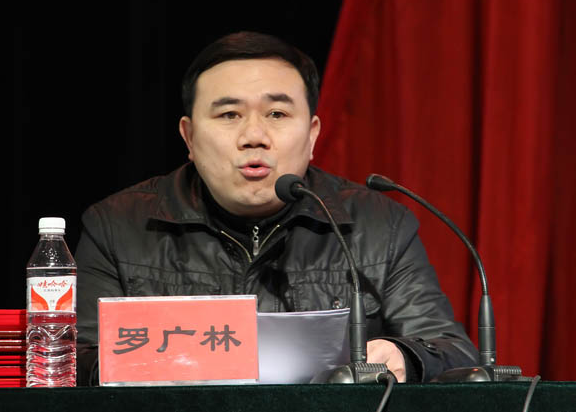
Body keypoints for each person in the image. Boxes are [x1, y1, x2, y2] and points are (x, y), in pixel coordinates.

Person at [75, 31, 478, 385]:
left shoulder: (378, 226)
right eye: (229, 114)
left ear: (312, 134)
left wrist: (406, 356)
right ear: (190, 137)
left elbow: (452, 351)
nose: (254, 136)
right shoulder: (118, 226)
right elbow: (71, 361)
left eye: (277, 114)